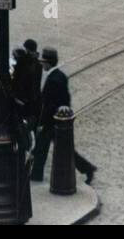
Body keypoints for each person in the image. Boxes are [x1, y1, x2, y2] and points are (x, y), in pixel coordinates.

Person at [29, 47, 95, 184]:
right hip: (58, 121)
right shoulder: (59, 75)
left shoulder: (53, 79)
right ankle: (36, 174)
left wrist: (41, 122)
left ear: (48, 63)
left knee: (43, 148)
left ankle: (36, 175)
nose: (41, 64)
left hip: (51, 121)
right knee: (54, 148)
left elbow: (48, 105)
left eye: (43, 62)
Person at [11, 38, 42, 130]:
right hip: (34, 100)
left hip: (24, 101)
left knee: (24, 127)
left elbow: (20, 81)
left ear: (27, 49)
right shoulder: (37, 63)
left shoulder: (24, 62)